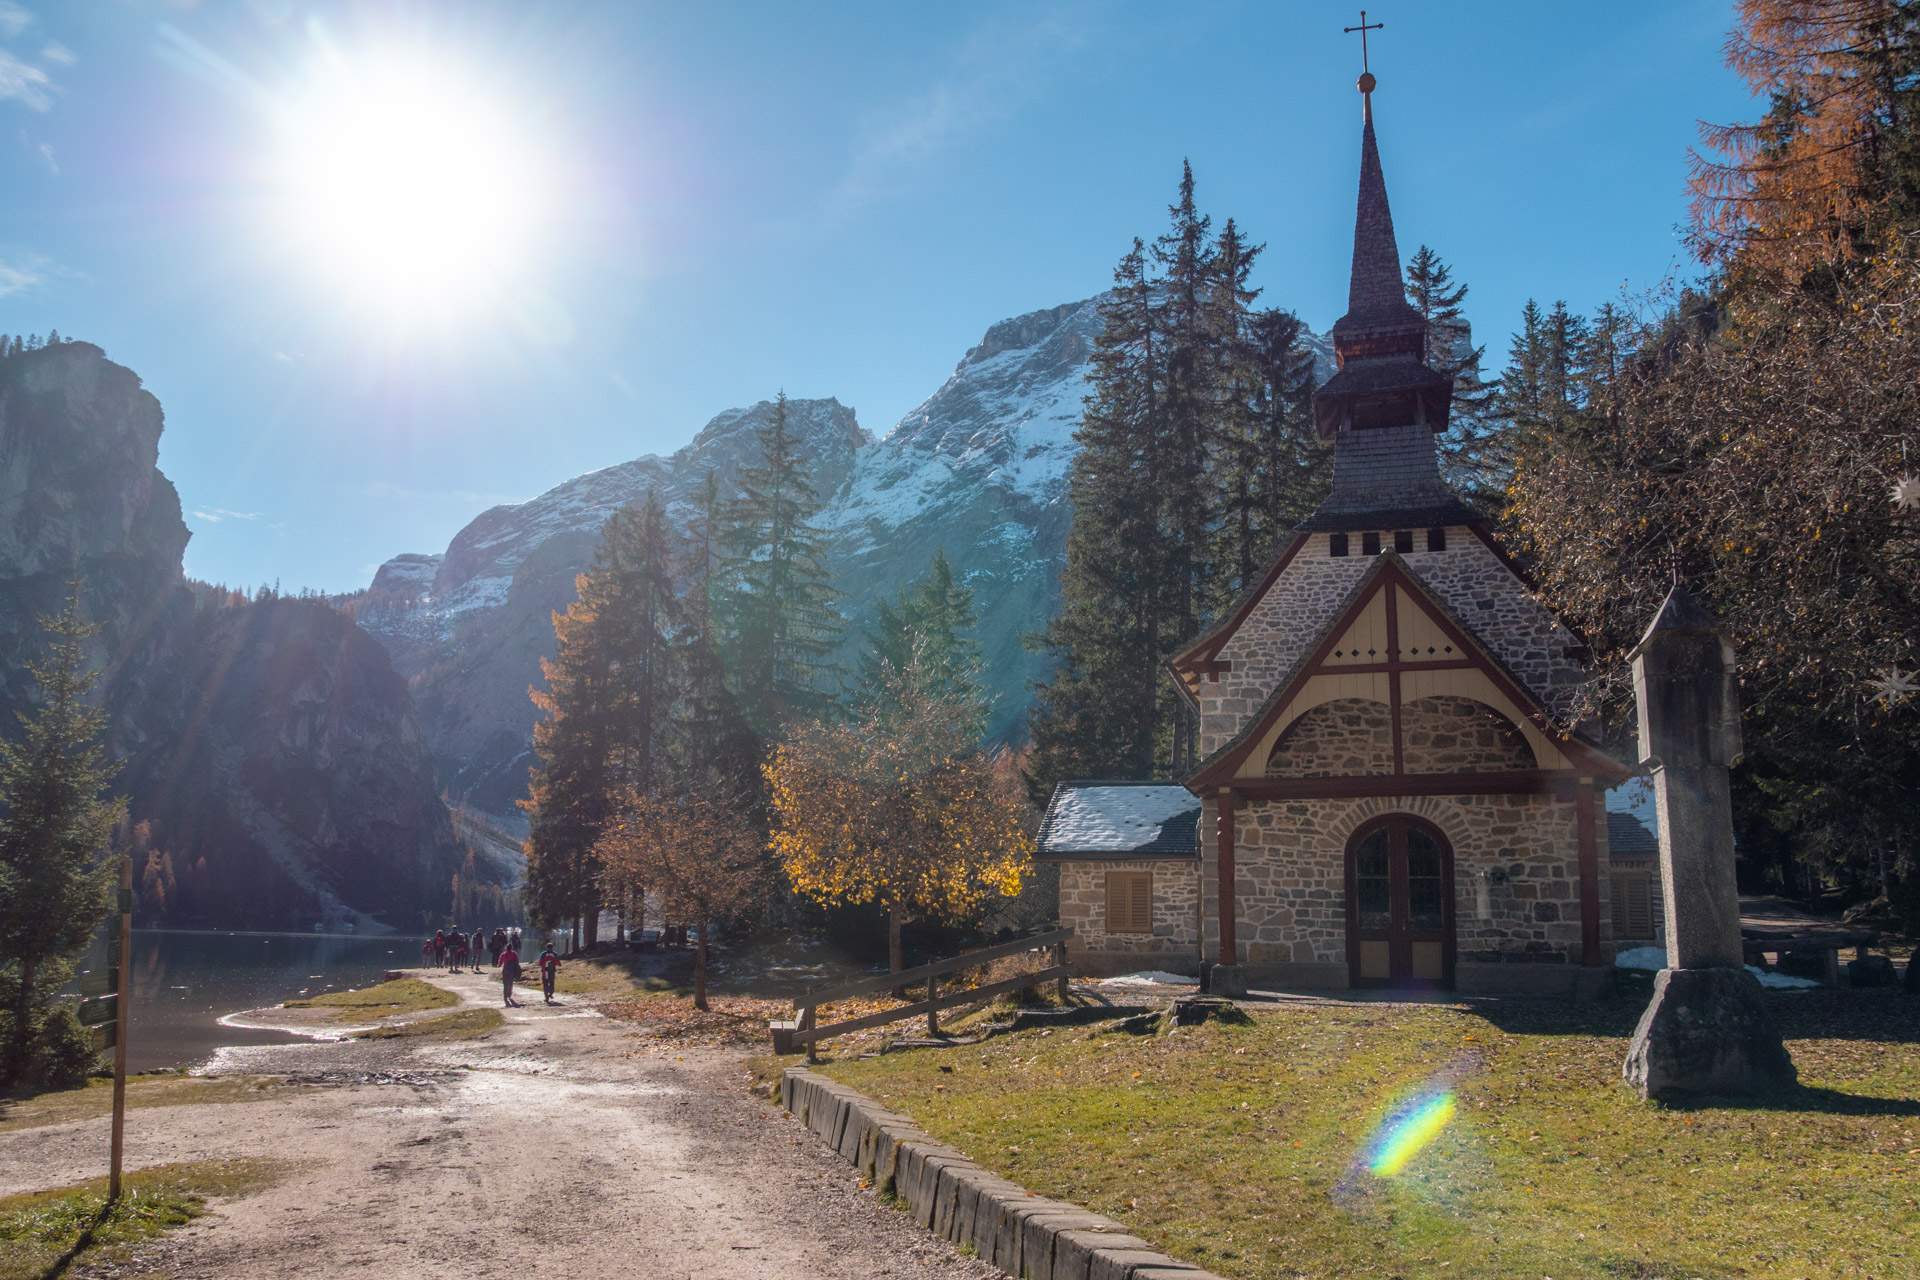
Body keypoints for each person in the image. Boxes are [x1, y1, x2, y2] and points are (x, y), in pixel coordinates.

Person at [499, 938, 522, 1007]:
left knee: (505, 983)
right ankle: (509, 995)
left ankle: (505, 996)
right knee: (510, 983)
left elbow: (500, 962)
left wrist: (499, 964)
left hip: (505, 969)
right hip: (511, 970)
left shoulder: (504, 954)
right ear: (511, 948)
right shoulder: (514, 953)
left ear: (506, 948)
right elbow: (517, 961)